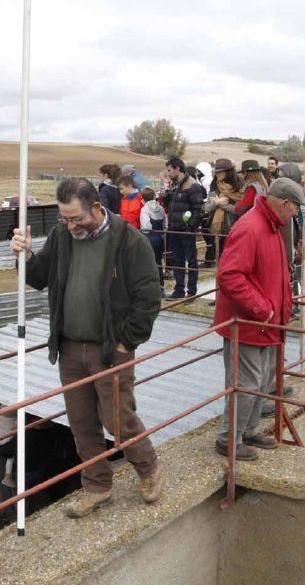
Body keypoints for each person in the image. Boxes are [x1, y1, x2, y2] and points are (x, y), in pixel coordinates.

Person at [10, 177, 163, 518]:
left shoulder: (128, 240)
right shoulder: (63, 236)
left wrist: (126, 342)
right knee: (81, 423)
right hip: (69, 348)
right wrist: (24, 254)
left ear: (96, 207)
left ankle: (148, 467)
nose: (70, 225)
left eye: (76, 218)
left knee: (116, 419)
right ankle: (97, 485)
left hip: (110, 349)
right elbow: (38, 277)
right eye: (64, 218)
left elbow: (150, 296)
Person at [213, 178, 305, 460]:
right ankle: (228, 439)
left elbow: (275, 274)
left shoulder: (270, 225)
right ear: (284, 203)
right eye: (295, 208)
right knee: (247, 383)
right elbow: (229, 275)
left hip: (266, 323)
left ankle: (248, 430)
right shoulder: (252, 227)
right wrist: (262, 309)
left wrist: (281, 310)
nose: (295, 214)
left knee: (262, 379)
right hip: (250, 323)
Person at [160, 157, 205, 300]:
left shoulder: (192, 185)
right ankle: (178, 290)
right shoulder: (174, 185)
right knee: (177, 260)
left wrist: (189, 226)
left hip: (185, 230)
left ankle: (191, 292)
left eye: (169, 170)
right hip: (174, 229)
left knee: (191, 261)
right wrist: (165, 193)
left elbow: (199, 209)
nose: (168, 174)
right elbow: (169, 205)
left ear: (177, 168)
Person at [207, 158, 246, 260]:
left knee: (235, 258)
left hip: (236, 227)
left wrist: (223, 205)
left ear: (228, 172)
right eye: (216, 172)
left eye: (220, 172)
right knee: (221, 258)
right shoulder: (215, 184)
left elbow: (242, 209)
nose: (217, 174)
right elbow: (207, 207)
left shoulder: (240, 185)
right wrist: (216, 203)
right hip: (218, 228)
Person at [139, 187, 167, 297]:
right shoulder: (160, 208)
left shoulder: (145, 209)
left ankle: (152, 287)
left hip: (150, 237)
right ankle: (161, 286)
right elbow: (165, 222)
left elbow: (146, 226)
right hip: (160, 237)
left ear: (142, 198)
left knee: (149, 263)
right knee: (158, 262)